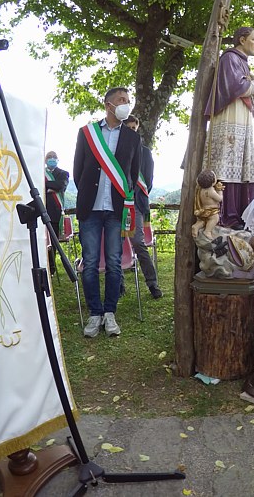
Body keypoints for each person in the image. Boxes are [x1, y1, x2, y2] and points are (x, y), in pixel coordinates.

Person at [74, 87, 141, 338]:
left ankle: (110, 312)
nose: (126, 104)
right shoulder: (87, 133)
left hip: (116, 210)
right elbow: (78, 170)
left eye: (128, 100)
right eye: (122, 100)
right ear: (108, 105)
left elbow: (133, 175)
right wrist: (88, 194)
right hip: (91, 208)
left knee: (113, 262)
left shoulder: (133, 138)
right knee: (90, 262)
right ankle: (95, 313)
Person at [204, 27, 254, 230]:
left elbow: (250, 94)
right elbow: (236, 87)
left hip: (242, 118)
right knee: (229, 161)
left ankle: (239, 214)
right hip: (230, 117)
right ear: (242, 39)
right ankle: (226, 215)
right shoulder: (230, 58)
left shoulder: (242, 63)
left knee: (241, 164)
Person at [122, 115, 162, 299]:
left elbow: (149, 181)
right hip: (117, 204)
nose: (131, 130)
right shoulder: (116, 151)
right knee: (115, 245)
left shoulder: (144, 152)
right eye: (127, 128)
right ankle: (118, 284)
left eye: (134, 128)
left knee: (138, 242)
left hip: (135, 204)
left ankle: (152, 283)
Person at [44, 150, 69, 275]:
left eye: (54, 157)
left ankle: (51, 270)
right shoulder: (40, 174)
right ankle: (43, 266)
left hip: (55, 213)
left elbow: (61, 185)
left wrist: (47, 185)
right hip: (41, 211)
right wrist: (50, 187)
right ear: (45, 160)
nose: (52, 159)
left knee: (53, 242)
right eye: (49, 157)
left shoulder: (63, 173)